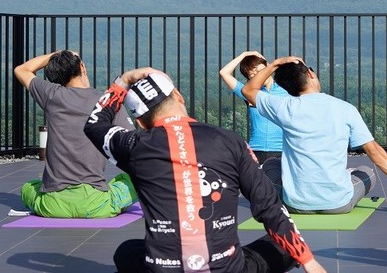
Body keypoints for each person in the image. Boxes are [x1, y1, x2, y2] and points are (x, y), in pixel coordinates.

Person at [84, 68, 326, 273]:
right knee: (283, 245)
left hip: (162, 268)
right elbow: (268, 206)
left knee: (126, 251)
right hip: (228, 268)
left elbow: (95, 124)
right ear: (178, 96)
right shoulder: (230, 142)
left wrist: (123, 82)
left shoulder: (134, 146)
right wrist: (309, 261)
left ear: (140, 122)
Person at [241, 56, 387, 216]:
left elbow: (248, 90)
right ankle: (343, 178)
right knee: (367, 173)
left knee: (270, 165)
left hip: (296, 204)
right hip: (338, 204)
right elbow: (374, 151)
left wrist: (275, 64)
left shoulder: (284, 106)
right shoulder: (345, 109)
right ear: (310, 74)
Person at [14, 50, 138, 218]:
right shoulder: (107, 101)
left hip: (53, 205)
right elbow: (133, 144)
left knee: (28, 187)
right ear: (82, 67)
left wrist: (55, 56)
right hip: (95, 205)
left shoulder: (52, 95)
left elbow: (21, 70)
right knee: (135, 180)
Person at [219, 51, 289, 165]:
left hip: (282, 150)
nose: (257, 74)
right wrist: (244, 55)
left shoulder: (287, 91)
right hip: (256, 151)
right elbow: (224, 73)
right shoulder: (249, 93)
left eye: (258, 69)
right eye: (251, 74)